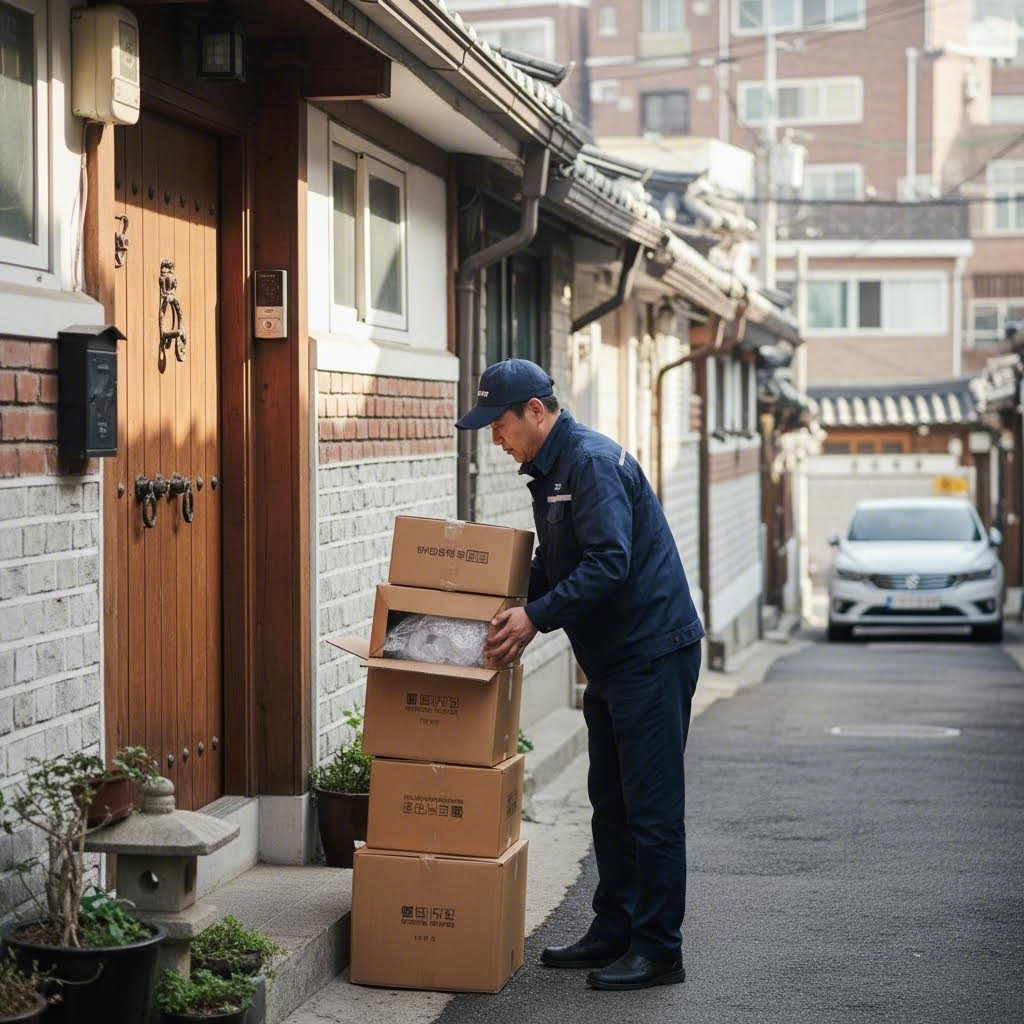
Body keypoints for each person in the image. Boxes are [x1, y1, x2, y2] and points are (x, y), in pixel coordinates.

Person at [455, 358, 704, 992]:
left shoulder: (588, 463)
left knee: (651, 811)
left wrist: (535, 617)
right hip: (613, 660)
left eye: (501, 424)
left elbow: (608, 563)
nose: (496, 438)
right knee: (611, 804)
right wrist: (514, 598)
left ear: (536, 411)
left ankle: (658, 950)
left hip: (652, 653)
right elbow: (559, 561)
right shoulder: (550, 469)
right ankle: (614, 929)